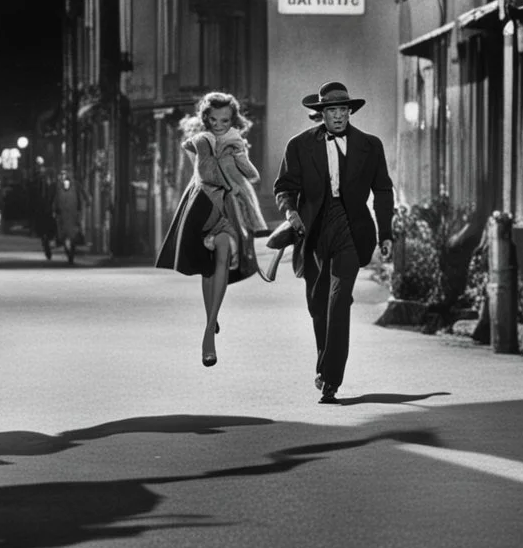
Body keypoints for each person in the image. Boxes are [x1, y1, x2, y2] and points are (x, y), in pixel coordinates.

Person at [273, 82, 395, 403]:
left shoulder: (370, 145)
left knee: (339, 301)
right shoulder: (299, 146)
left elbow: (383, 191)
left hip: (352, 230)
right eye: (332, 111)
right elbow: (284, 187)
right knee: (318, 305)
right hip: (313, 232)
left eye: (343, 110)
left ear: (350, 112)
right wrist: (290, 213)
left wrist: (386, 235)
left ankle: (331, 379)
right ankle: (324, 362)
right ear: (321, 114)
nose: (339, 116)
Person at [156, 91, 269, 366]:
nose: (220, 124)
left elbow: (251, 175)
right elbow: (196, 172)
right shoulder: (200, 141)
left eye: (226, 120)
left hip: (228, 209)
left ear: (233, 119)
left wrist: (238, 153)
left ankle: (209, 333)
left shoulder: (236, 142)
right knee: (207, 270)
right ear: (206, 118)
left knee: (222, 255)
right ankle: (212, 318)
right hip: (203, 207)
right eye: (215, 119)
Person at [52, 172, 86, 264]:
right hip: (64, 217)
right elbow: (56, 201)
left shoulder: (74, 187)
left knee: (72, 236)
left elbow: (82, 196)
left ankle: (71, 253)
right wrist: (55, 211)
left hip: (72, 216)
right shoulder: (60, 189)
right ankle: (69, 252)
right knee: (65, 236)